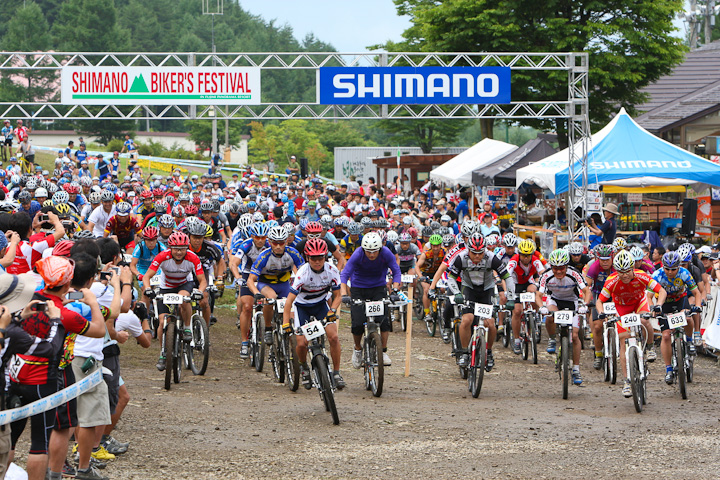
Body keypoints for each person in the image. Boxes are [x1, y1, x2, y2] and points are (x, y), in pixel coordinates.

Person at [596, 250, 666, 397]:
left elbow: (662, 291)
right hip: (622, 309)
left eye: (627, 271)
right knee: (623, 341)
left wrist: (658, 304)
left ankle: (650, 346)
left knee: (644, 320)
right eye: (621, 272)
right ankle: (627, 380)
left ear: (632, 268)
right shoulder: (611, 281)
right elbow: (600, 301)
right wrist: (602, 313)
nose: (625, 275)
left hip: (639, 303)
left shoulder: (642, 275)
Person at [445, 233, 514, 371]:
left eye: (480, 253)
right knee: (466, 320)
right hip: (468, 289)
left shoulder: (491, 258)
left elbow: (507, 277)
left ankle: (488, 352)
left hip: (486, 290)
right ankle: (465, 352)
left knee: (490, 323)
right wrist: (457, 293)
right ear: (468, 250)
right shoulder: (461, 257)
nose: (477, 256)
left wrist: (511, 298)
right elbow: (451, 278)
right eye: (474, 253)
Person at [283, 238, 345, 389]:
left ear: (325, 257)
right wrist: (286, 323)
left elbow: (338, 296)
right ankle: (304, 366)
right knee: (302, 343)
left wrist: (332, 310)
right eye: (313, 258)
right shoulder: (302, 274)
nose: (317, 262)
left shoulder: (332, 270)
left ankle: (336, 373)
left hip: (321, 305)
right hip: (302, 306)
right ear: (307, 258)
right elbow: (289, 302)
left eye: (320, 258)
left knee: (334, 337)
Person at [143, 232, 206, 370]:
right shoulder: (162, 256)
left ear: (187, 248)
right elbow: (147, 276)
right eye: (176, 248)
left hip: (185, 284)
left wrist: (200, 292)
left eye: (182, 248)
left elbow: (202, 281)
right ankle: (163, 353)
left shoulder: (193, 258)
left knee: (184, 299)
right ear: (170, 248)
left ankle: (188, 328)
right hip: (166, 287)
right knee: (162, 321)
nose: (179, 252)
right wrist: (147, 288)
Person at [340, 232, 400, 368]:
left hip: (378, 287)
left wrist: (395, 290)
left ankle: (383, 351)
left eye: (374, 251)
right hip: (358, 288)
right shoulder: (357, 254)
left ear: (379, 249)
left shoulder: (386, 253)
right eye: (368, 252)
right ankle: (357, 349)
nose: (371, 255)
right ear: (363, 249)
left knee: (384, 321)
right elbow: (345, 274)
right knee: (357, 323)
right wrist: (344, 294)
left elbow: (396, 271)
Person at [537, 249, 591, 385]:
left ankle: (576, 369)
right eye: (555, 268)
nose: (559, 272)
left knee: (574, 336)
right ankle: (552, 339)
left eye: (561, 268)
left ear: (566, 266)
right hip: (554, 300)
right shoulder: (546, 275)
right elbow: (538, 295)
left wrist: (585, 304)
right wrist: (541, 307)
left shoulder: (574, 273)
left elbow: (586, 291)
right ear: (551, 267)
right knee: (549, 316)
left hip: (571, 302)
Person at [247, 226, 304, 346]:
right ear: (270, 242)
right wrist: (256, 293)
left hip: (284, 284)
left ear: (286, 242)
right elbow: (250, 280)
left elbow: (303, 272)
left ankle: (291, 338)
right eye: (275, 243)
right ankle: (268, 328)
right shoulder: (263, 256)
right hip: (266, 284)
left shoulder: (293, 253)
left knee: (292, 311)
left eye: (281, 243)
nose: (278, 246)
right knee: (271, 298)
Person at [651, 250, 701, 384]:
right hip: (664, 304)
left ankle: (689, 341)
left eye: (673, 269)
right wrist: (652, 308)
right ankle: (668, 369)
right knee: (666, 335)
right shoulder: (657, 275)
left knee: (689, 318)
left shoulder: (684, 273)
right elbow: (648, 296)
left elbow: (696, 293)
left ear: (678, 267)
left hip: (680, 300)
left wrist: (697, 306)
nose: (670, 272)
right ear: (663, 266)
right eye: (667, 269)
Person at [507, 239, 545, 355]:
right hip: (515, 284)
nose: (525, 258)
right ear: (519, 254)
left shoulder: (535, 260)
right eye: (523, 255)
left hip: (528, 282)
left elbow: (543, 271)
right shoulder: (514, 260)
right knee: (517, 311)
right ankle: (517, 339)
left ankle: (534, 314)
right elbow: (506, 273)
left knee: (534, 291)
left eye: (528, 255)